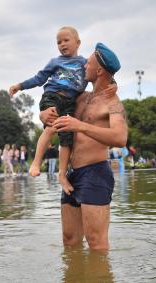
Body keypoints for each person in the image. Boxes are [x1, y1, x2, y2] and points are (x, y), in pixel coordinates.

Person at [41, 42, 126, 250]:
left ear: (98, 71)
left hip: (95, 173)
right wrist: (43, 114)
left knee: (96, 244)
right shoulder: (79, 97)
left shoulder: (113, 102)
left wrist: (81, 126)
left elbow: (120, 137)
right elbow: (52, 107)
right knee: (69, 241)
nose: (82, 67)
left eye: (87, 64)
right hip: (71, 175)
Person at [9, 26, 116, 188]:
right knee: (51, 128)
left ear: (78, 42)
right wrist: (20, 86)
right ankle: (36, 163)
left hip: (70, 102)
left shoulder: (85, 63)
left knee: (67, 140)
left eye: (66, 40)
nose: (62, 44)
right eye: (59, 42)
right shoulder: (55, 62)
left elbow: (101, 73)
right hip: (52, 97)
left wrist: (114, 84)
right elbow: (39, 78)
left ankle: (61, 174)